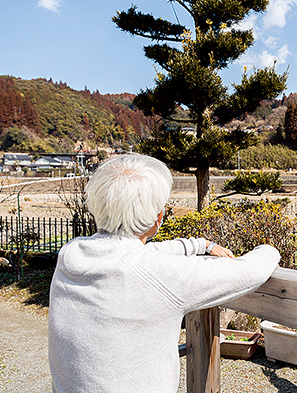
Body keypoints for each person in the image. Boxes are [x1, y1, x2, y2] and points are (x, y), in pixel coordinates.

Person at [48, 154, 281, 393]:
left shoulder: (71, 253)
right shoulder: (159, 273)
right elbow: (249, 271)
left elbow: (135, 253)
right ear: (158, 219)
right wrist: (270, 249)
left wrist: (199, 245)